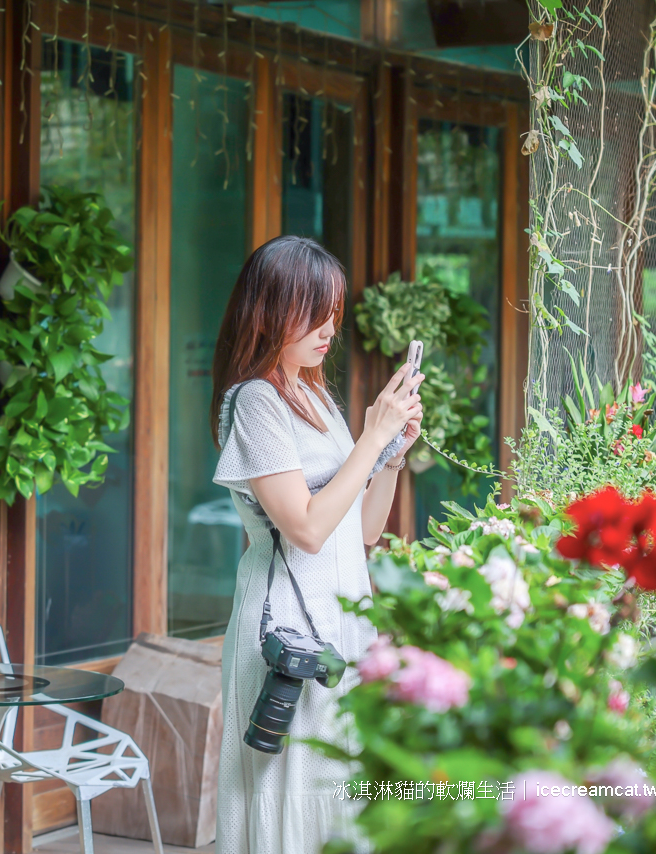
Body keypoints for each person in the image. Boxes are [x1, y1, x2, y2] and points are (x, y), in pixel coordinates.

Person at [211, 235, 423, 854]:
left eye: (334, 313)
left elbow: (357, 533)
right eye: (315, 313)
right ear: (270, 311)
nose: (330, 329)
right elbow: (302, 528)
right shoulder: (256, 401)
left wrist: (388, 456)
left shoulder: (316, 397)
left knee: (336, 786)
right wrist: (371, 436)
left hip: (337, 621)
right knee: (289, 793)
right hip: (287, 635)